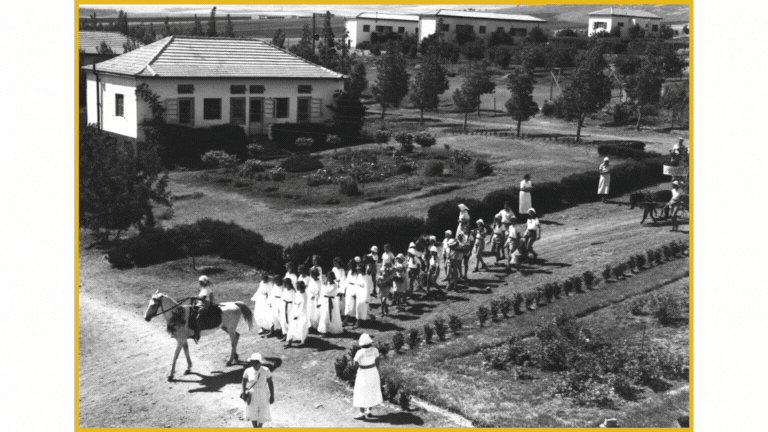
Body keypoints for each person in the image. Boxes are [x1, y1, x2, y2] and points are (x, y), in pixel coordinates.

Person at [352, 334, 383, 419]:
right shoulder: (375, 350)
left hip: (363, 373)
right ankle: (368, 411)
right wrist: (377, 370)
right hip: (373, 371)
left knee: (362, 391)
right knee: (371, 390)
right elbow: (377, 361)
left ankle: (362, 413)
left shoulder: (360, 352)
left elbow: (355, 364)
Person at [241, 353, 274, 428]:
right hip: (252, 393)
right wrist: (243, 392)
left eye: (256, 362)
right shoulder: (247, 370)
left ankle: (259, 427)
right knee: (252, 411)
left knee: (264, 410)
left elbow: (270, 383)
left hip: (263, 392)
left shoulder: (266, 370)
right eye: (252, 362)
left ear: (260, 362)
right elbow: (243, 381)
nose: (254, 364)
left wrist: (272, 395)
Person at [287, 281, 310, 347]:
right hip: (295, 311)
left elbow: (302, 306)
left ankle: (303, 341)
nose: (296, 287)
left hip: (302, 313)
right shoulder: (297, 293)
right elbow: (295, 303)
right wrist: (293, 312)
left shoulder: (304, 295)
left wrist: (297, 315)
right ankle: (289, 341)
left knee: (302, 327)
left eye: (297, 286)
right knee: (292, 326)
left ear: (300, 287)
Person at [193, 275, 215, 343]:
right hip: (200, 304)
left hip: (205, 305)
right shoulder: (203, 288)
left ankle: (198, 334)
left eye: (201, 282)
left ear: (204, 282)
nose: (200, 283)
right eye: (199, 282)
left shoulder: (207, 289)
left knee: (197, 318)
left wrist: (195, 298)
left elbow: (203, 298)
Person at [343, 258, 360, 327]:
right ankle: (347, 319)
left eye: (350, 264)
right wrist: (344, 289)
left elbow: (357, 282)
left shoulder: (357, 272)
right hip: (349, 289)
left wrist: (355, 292)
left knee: (354, 305)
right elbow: (346, 281)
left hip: (354, 289)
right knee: (348, 304)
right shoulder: (349, 272)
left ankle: (356, 320)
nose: (349, 266)